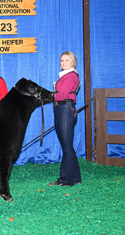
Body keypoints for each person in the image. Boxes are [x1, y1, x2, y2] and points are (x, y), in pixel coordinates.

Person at [49, 51, 81, 187]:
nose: (63, 63)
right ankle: (75, 176)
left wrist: (47, 95)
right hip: (62, 109)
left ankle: (66, 180)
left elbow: (61, 95)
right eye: (62, 60)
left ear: (73, 62)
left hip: (65, 109)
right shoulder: (65, 76)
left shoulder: (71, 76)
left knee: (66, 147)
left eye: (67, 60)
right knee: (67, 145)